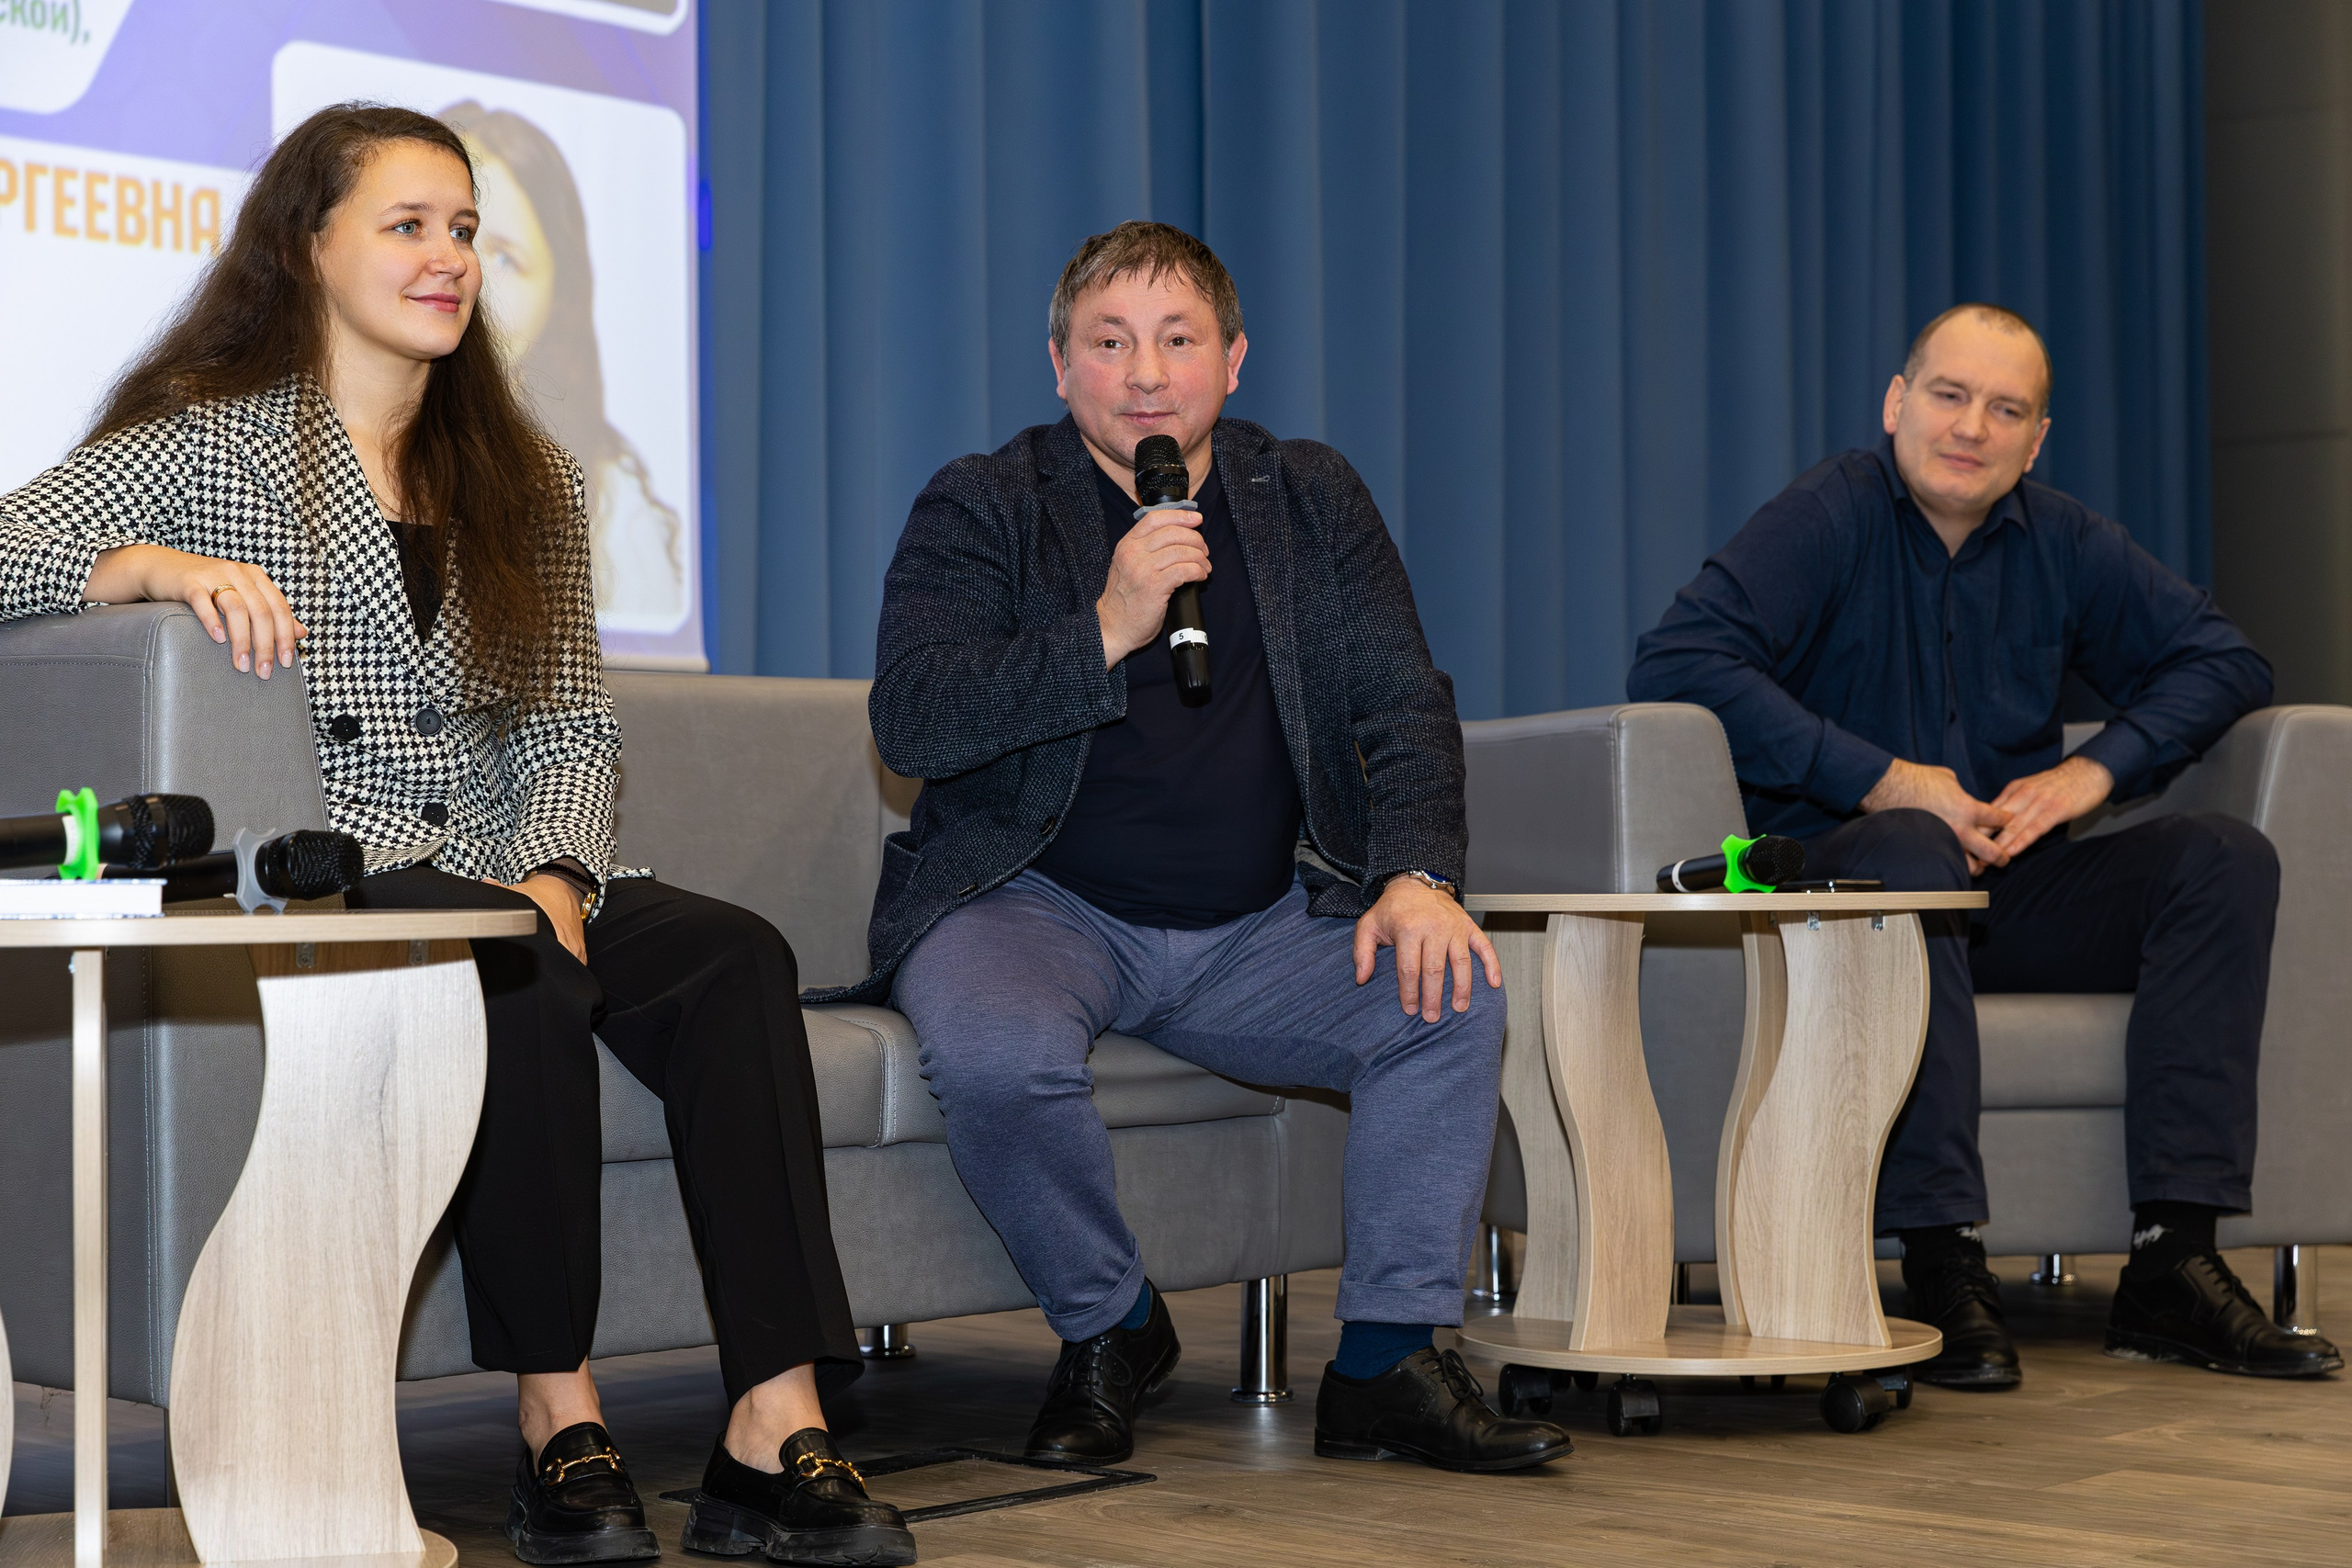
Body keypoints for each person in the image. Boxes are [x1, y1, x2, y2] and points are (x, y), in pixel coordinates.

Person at [0, 106, 915, 1566]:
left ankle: (771, 1419)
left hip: (505, 845)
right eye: (408, 225)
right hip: (339, 866)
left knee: (737, 957)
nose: (449, 258)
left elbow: (570, 726)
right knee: (520, 975)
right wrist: (136, 563)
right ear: (307, 246)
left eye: (466, 229)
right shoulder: (203, 448)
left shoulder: (525, 475)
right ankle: (560, 1420)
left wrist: (554, 868)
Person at [820, 220, 1573, 1475]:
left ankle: (1388, 1358)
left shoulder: (1310, 495)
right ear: (1061, 367)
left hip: (1256, 921)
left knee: (1446, 999)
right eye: (1110, 343)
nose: (1147, 374)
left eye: (1178, 341)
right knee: (998, 1056)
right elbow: (913, 718)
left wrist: (1418, 873)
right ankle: (1112, 1324)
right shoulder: (985, 500)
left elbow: (1402, 695)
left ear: (1233, 359)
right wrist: (1107, 623)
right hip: (1035, 903)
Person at [1628, 303, 2342, 1389]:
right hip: (1848, 891)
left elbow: (2223, 662)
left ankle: (2171, 1262)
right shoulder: (1828, 514)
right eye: (1949, 396)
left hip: (2005, 888)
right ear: (1896, 403)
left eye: (2004, 409)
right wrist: (1878, 775)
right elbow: (1677, 660)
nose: (1971, 427)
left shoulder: (2063, 539)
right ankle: (1941, 1255)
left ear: (2036, 437)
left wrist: (2089, 774)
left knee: (2218, 857)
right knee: (1914, 841)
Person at [437, 99, 689, 630]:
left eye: (506, 256)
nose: (462, 267)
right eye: (461, 235)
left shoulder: (601, 498)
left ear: (560, 298)